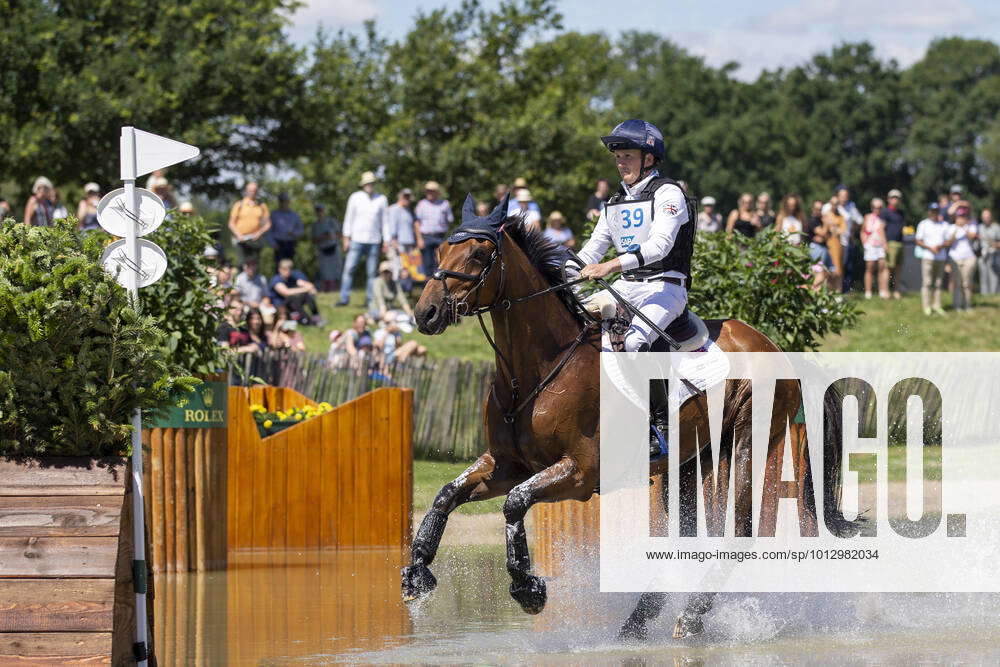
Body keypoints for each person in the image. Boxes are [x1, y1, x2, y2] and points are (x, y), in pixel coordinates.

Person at [576, 119, 694, 460]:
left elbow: (659, 247)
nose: (621, 163)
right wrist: (563, 271)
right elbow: (592, 249)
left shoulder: (669, 194)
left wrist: (610, 266)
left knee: (634, 341)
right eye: (618, 157)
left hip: (665, 287)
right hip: (625, 287)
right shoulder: (614, 202)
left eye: (627, 155)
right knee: (576, 323)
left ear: (649, 158)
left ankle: (658, 427)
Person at [339, 171, 387, 306]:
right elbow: (348, 218)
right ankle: (344, 298)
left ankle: (370, 300)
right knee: (349, 269)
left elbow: (385, 222)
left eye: (371, 183)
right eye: (367, 183)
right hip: (356, 239)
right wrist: (346, 238)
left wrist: (386, 240)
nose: (369, 185)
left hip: (374, 240)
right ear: (363, 185)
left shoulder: (381, 199)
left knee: (371, 273)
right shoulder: (355, 197)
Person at [822, 185, 863, 293]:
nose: (844, 198)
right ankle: (830, 291)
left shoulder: (851, 207)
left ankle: (842, 291)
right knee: (832, 268)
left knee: (844, 268)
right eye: (842, 195)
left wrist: (852, 232)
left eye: (846, 195)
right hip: (831, 242)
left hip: (845, 241)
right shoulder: (829, 207)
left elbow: (860, 221)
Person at [915, 203, 951, 316]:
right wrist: (930, 248)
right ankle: (927, 307)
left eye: (936, 211)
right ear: (929, 212)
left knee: (938, 283)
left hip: (940, 257)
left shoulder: (944, 225)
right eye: (932, 211)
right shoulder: (923, 224)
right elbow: (918, 240)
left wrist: (939, 247)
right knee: (927, 282)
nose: (934, 213)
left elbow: (948, 241)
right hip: (928, 257)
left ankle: (937, 305)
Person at [414, 180, 454, 277]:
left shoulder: (444, 204)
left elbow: (450, 220)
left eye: (432, 191)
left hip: (440, 237)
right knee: (427, 264)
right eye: (428, 191)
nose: (429, 193)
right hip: (426, 237)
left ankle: (441, 287)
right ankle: (428, 287)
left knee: (442, 263)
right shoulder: (421, 204)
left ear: (437, 192)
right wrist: (419, 239)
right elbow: (416, 223)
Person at [269, 258, 324, 325]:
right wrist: (305, 289)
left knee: (306, 295)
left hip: (293, 304)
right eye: (285, 269)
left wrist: (309, 289)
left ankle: (316, 316)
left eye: (289, 269)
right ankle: (307, 320)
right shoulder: (276, 280)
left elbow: (309, 285)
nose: (287, 271)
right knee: (293, 298)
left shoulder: (292, 278)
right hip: (280, 306)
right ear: (279, 270)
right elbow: (286, 293)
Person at [227, 181, 271, 264]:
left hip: (255, 240)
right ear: (246, 191)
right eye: (250, 190)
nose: (252, 192)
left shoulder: (262, 206)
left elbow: (268, 224)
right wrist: (239, 235)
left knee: (254, 264)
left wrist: (259, 233)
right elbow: (231, 223)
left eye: (254, 190)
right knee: (241, 263)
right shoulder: (239, 205)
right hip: (241, 240)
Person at [947, 210, 978, 312]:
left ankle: (968, 304)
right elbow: (949, 241)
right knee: (957, 282)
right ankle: (957, 305)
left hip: (969, 257)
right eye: (960, 216)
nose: (962, 218)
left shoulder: (971, 226)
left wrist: (964, 227)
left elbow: (972, 236)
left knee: (967, 283)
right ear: (956, 217)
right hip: (955, 258)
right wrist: (957, 228)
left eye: (964, 216)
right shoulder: (951, 227)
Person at [386, 188, 419, 278]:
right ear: (400, 197)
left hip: (409, 243)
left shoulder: (408, 210)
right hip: (398, 242)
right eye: (405, 196)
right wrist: (394, 240)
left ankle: (405, 289)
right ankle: (395, 288)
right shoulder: (394, 209)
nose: (407, 199)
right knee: (397, 266)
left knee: (408, 268)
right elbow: (392, 225)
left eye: (408, 197)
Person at [860, 198, 889, 299]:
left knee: (882, 268)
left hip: (880, 246)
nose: (878, 210)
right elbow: (863, 231)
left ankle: (882, 290)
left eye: (880, 208)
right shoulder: (867, 217)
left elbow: (883, 233)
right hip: (870, 245)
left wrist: (885, 244)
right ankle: (868, 292)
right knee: (869, 268)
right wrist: (865, 243)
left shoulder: (883, 219)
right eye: (876, 207)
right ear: (872, 208)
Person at [880, 189, 906, 298]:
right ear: (889, 199)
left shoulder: (901, 213)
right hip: (890, 243)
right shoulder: (885, 212)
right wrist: (884, 243)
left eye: (897, 198)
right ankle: (885, 291)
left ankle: (896, 291)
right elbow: (881, 228)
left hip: (900, 243)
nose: (895, 200)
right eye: (893, 198)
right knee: (887, 268)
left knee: (898, 268)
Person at [312, 204, 342, 292]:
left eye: (321, 210)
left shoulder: (331, 221)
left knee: (337, 270)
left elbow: (340, 234)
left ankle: (338, 289)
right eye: (317, 210)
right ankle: (328, 289)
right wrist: (323, 237)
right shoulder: (315, 225)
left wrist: (331, 236)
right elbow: (313, 240)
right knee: (325, 272)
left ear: (324, 211)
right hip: (323, 250)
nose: (319, 212)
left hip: (334, 248)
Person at [269, 192, 304, 262]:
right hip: (278, 244)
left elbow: (301, 230)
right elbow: (269, 231)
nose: (283, 203)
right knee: (279, 267)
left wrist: (294, 233)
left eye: (285, 201)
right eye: (281, 201)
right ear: (279, 202)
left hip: (290, 243)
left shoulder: (294, 215)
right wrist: (273, 243)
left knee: (289, 266)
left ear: (288, 202)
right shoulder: (274, 214)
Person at [822, 195, 846, 293]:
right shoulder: (826, 215)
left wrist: (834, 228)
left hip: (838, 245)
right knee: (828, 268)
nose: (834, 205)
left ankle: (838, 290)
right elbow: (825, 229)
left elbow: (842, 230)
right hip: (828, 244)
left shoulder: (840, 216)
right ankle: (829, 290)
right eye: (833, 203)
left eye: (836, 204)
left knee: (838, 268)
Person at [978, 209, 1000, 295]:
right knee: (983, 277)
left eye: (987, 217)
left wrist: (994, 244)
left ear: (991, 217)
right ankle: (984, 296)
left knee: (994, 277)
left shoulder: (996, 227)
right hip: (983, 255)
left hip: (994, 255)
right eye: (984, 217)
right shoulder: (979, 227)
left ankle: (994, 295)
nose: (986, 219)